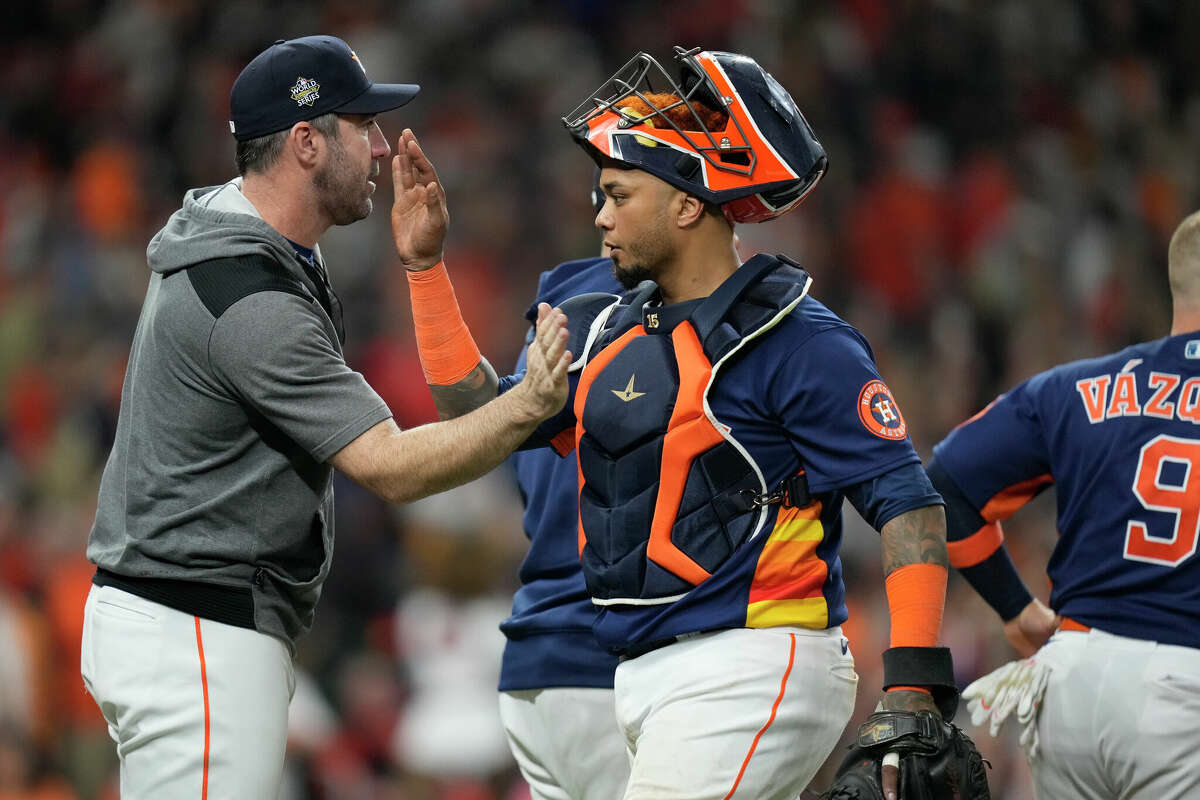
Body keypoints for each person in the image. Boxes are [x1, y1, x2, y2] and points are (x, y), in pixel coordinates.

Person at [395, 48, 957, 800]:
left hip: (754, 657)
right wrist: (427, 271)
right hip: (643, 671)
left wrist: (913, 681)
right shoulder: (612, 328)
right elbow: (480, 417)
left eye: (619, 194)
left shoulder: (800, 339)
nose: (599, 215)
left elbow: (906, 501)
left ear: (688, 205)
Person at [80, 35, 570, 799]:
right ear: (306, 142)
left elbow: (451, 412)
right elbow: (391, 467)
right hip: (194, 629)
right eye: (361, 126)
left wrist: (424, 269)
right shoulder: (249, 297)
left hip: (184, 622)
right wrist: (532, 402)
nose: (380, 148)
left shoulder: (246, 237)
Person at [926, 211, 1200, 800]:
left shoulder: (1078, 386)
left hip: (1069, 681)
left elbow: (944, 483)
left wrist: (1015, 608)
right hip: (1185, 692)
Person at [496, 180, 630, 800]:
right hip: (604, 660)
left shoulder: (554, 317)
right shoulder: (647, 321)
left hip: (534, 663)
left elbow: (472, 414)